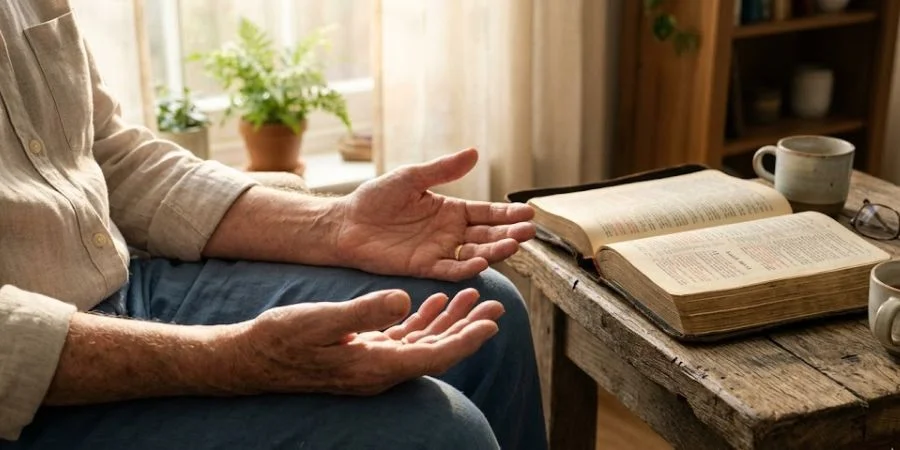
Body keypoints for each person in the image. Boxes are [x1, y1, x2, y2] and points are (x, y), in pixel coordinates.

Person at [0, 2, 547, 450]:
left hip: (124, 286)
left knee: (483, 302)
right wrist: (233, 359)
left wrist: (335, 223)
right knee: (441, 435)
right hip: (28, 387)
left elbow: (109, 155)